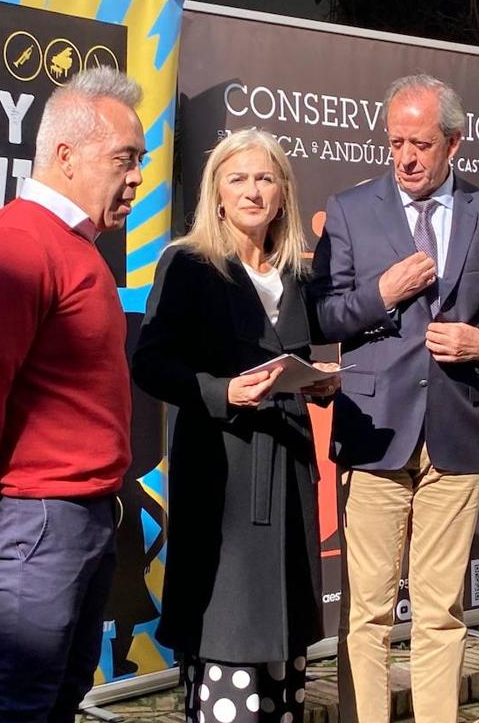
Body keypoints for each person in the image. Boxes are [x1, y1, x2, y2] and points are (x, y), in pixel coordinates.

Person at [0, 66, 145, 723]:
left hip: (81, 519)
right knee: (21, 708)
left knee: (57, 700)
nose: (137, 176)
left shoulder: (73, 246)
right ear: (65, 155)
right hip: (40, 525)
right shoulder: (18, 245)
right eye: (125, 159)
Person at [309, 74, 479, 723]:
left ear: (453, 142)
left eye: (421, 144)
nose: (405, 157)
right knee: (366, 613)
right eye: (396, 142)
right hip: (374, 434)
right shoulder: (349, 210)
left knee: (440, 613)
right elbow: (322, 315)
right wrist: (383, 293)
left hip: (455, 437)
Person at [132, 128, 338, 723]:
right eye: (238, 178)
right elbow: (150, 363)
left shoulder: (297, 273)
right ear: (216, 192)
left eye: (265, 178)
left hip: (290, 475)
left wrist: (316, 384)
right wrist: (222, 391)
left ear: (283, 193)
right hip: (221, 478)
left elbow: (294, 355)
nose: (252, 191)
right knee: (226, 637)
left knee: (284, 651)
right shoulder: (187, 263)